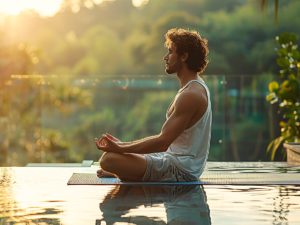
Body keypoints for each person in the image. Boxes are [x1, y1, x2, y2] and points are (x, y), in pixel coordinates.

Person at [95, 28, 211, 182]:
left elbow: (162, 142)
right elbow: (163, 144)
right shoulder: (192, 87)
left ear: (184, 56)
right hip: (171, 158)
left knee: (107, 160)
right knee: (113, 159)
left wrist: (120, 148)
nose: (165, 57)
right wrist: (122, 145)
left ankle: (126, 171)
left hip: (181, 169)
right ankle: (128, 171)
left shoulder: (191, 94)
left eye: (170, 52)